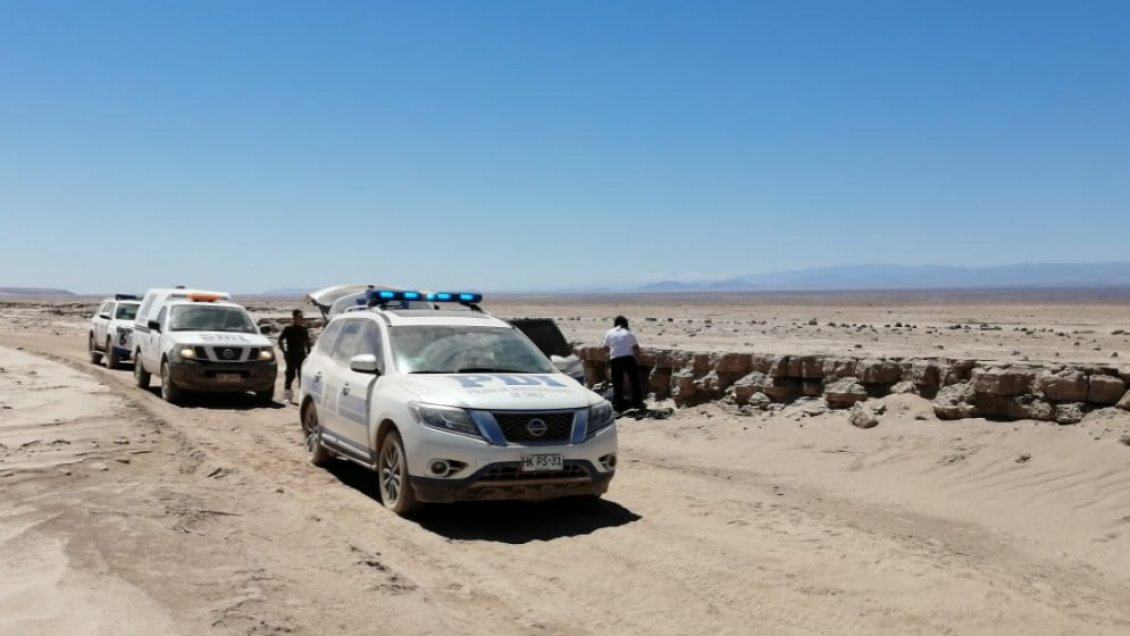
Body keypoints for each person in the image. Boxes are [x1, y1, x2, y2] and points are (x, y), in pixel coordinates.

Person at [603, 315, 645, 413]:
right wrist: (637, 358)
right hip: (628, 358)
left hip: (615, 359)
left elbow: (605, 348)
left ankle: (619, 406)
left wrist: (612, 353)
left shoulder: (609, 332)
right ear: (626, 324)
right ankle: (637, 402)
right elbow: (636, 348)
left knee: (617, 383)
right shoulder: (629, 333)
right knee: (634, 381)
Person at [278, 309, 311, 403]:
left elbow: (307, 342)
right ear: (295, 318)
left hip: (301, 355)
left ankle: (301, 397)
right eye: (300, 317)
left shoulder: (304, 329)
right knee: (290, 375)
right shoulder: (288, 329)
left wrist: (309, 353)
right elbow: (280, 340)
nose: (302, 319)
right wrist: (284, 352)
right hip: (291, 355)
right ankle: (287, 395)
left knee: (302, 376)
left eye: (302, 317)